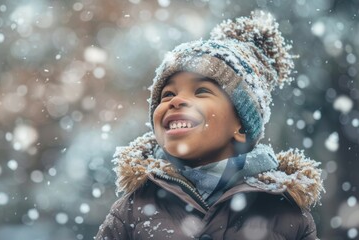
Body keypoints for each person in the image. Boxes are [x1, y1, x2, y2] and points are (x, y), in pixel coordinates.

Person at [96, 11, 324, 239]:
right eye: (167, 94)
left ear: (242, 127)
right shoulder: (132, 210)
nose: (175, 101)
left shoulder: (285, 214)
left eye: (201, 91)